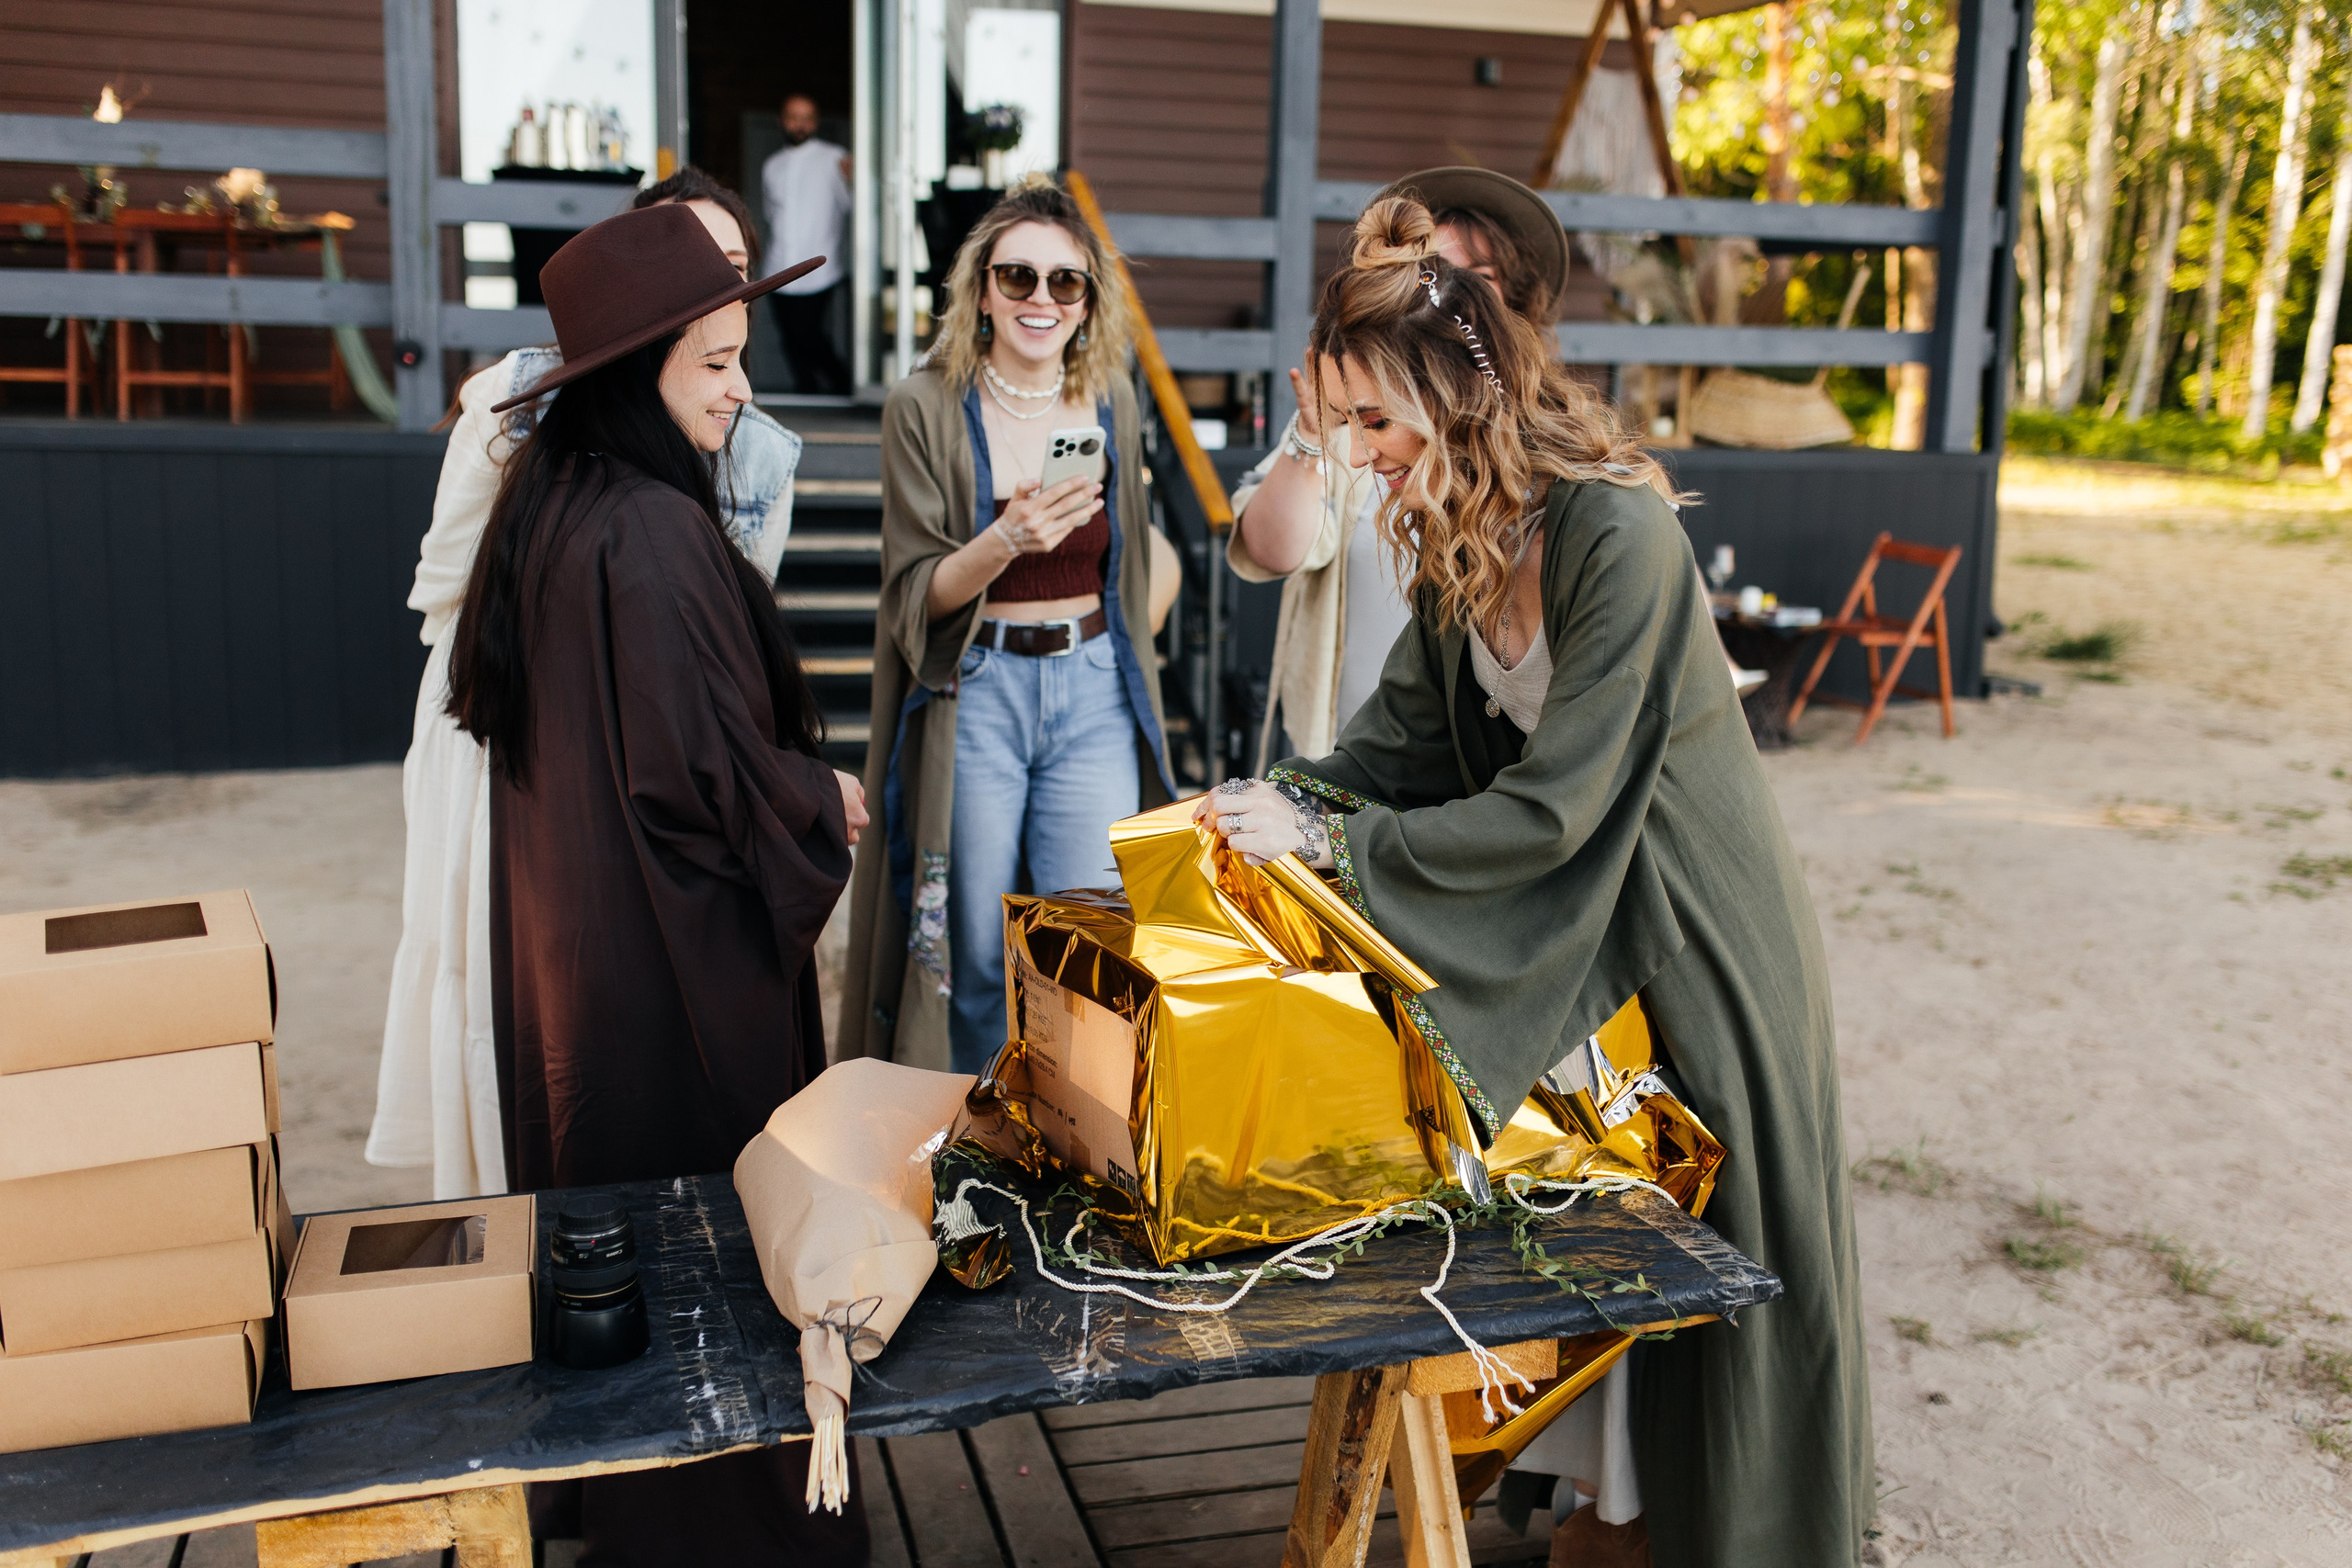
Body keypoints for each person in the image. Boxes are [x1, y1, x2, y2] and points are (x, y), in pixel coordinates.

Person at [1198, 197, 1872, 1568]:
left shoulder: (1617, 529)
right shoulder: (1456, 533)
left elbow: (1564, 797)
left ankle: (1733, 1533)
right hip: (1584, 916)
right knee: (1606, 1214)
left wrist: (1336, 847)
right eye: (1344, 426)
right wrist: (1278, 800)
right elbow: (1392, 745)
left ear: (1456, 396)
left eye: (1377, 424)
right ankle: (1614, 1519)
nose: (1362, 458)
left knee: (1719, 1217)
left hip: (1688, 914)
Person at [444, 201, 869, 1565]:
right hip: (669, 970)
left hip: (585, 952)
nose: (743, 390)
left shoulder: (550, 508)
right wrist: (822, 800)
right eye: (717, 363)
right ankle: (715, 1531)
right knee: (709, 1243)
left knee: (615, 1231)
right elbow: (702, 773)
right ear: (642, 373)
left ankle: (623, 1501)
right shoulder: (652, 533)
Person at [369, 167, 804, 1200]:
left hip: (602, 760)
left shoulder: (684, 465)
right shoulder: (555, 447)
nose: (738, 382)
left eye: (732, 276)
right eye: (715, 358)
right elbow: (447, 595)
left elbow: (707, 676)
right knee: (514, 989)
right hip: (514, 740)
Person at [839, 175, 1174, 1076]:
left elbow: (1136, 560)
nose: (1039, 299)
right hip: (980, 690)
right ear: (980, 289)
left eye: (1064, 283)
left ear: (1087, 301)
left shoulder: (1111, 402)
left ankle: (1078, 1134)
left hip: (1092, 686)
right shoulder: (925, 406)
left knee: (1086, 934)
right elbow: (917, 593)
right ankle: (985, 1132)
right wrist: (1005, 539)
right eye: (1016, 277)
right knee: (977, 951)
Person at [1227, 167, 1569, 768]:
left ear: (1510, 299)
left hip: (1501, 773)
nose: (1440, 294)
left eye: (1468, 279)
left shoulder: (1562, 446)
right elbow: (1272, 550)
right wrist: (1316, 434)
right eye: (1429, 272)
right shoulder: (1352, 420)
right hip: (1365, 753)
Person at [762, 92, 854, 395]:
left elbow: (852, 205)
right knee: (789, 337)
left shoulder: (834, 158)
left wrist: (853, 180)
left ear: (815, 123)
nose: (800, 125)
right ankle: (807, 390)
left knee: (809, 334)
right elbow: (770, 214)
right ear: (782, 121)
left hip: (820, 266)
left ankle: (842, 386)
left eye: (807, 118)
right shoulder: (772, 165)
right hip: (778, 265)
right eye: (793, 117)